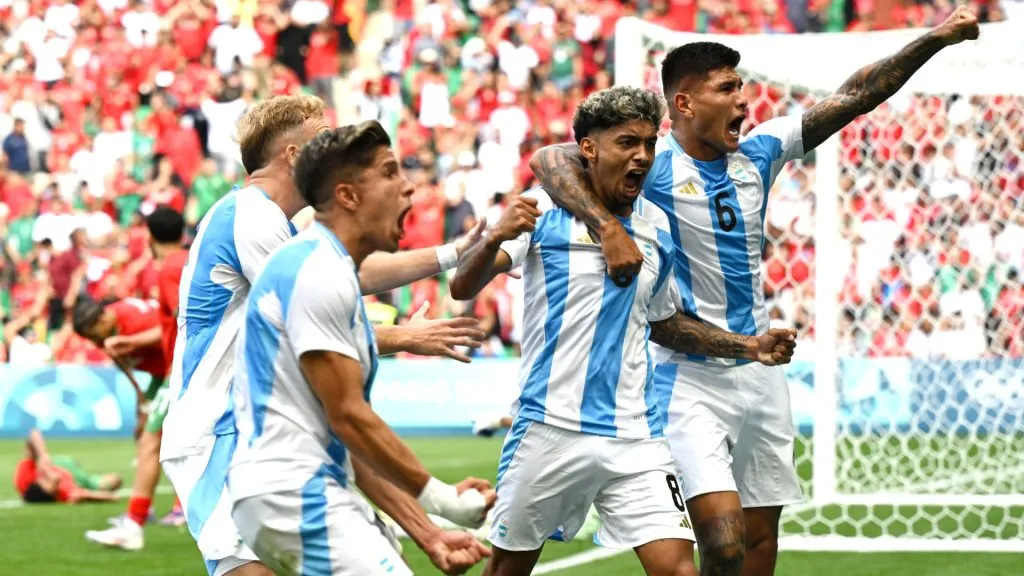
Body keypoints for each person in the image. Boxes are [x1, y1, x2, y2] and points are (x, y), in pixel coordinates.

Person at [527, 8, 980, 575]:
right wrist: (608, 226)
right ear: (685, 104)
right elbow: (549, 160)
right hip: (686, 376)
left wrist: (933, 39)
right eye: (727, 88)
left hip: (762, 371)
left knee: (762, 543)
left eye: (742, 86)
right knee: (722, 541)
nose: (744, 100)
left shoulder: (759, 152)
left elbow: (857, 95)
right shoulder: (652, 163)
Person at [449, 86, 796, 576]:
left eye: (649, 144)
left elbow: (665, 324)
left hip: (636, 436)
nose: (642, 156)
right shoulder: (542, 209)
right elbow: (463, 285)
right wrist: (494, 239)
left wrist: (748, 346)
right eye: (627, 143)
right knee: (508, 570)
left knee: (679, 569)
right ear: (588, 148)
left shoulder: (655, 225)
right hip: (550, 428)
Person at [159, 95, 492, 576]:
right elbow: (317, 310)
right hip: (217, 429)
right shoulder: (250, 216)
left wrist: (454, 254)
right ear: (294, 156)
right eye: (321, 141)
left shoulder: (284, 227)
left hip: (254, 428)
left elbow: (347, 275)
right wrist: (403, 336)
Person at [81, 207, 189, 549]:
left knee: (153, 442)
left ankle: (137, 522)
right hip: (175, 370)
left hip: (180, 367)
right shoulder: (187, 260)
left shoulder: (168, 270)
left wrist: (131, 342)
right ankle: (155, 514)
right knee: (163, 441)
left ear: (151, 238)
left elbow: (179, 318)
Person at [14, 429, 122, 504]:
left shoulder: (25, 476)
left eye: (45, 481)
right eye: (53, 486)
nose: (52, 479)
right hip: (80, 480)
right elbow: (112, 497)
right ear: (53, 494)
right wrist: (87, 496)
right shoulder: (65, 494)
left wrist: (43, 455)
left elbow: (34, 434)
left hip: (61, 464)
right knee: (115, 480)